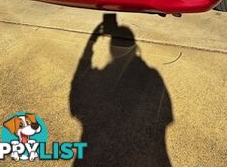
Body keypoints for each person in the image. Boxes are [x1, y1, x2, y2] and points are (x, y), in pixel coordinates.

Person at [70, 14, 173, 167]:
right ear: (135, 50)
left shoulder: (100, 78)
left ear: (111, 49)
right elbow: (165, 117)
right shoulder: (152, 76)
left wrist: (91, 42)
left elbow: (76, 96)